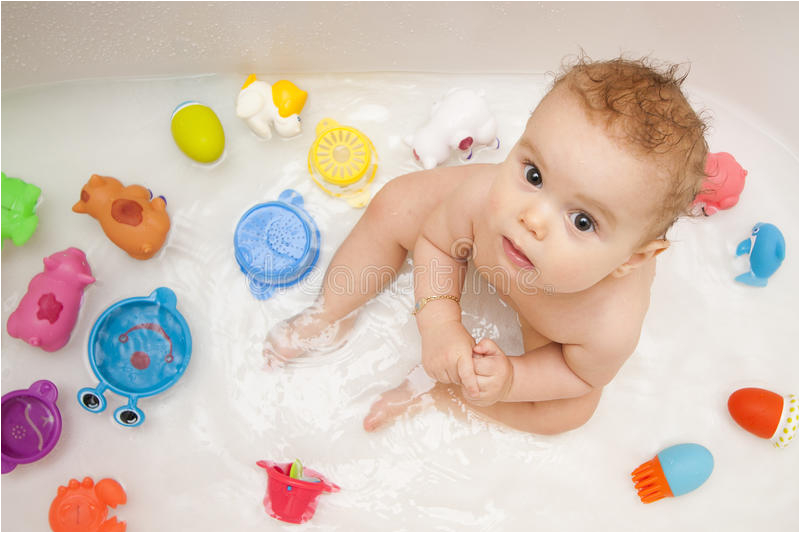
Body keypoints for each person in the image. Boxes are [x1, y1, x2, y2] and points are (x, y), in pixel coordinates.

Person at [264, 55, 709, 434]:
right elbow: (437, 243)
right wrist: (439, 322)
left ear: (632, 259)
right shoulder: (488, 201)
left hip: (548, 326)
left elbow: (576, 373)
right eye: (534, 174)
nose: (532, 218)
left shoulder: (608, 324)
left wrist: (512, 379)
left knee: (571, 410)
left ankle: (449, 394)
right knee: (396, 205)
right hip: (480, 237)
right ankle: (329, 310)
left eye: (582, 220)